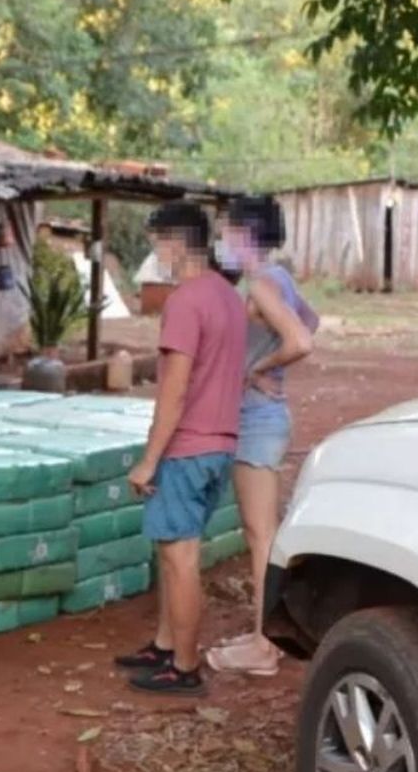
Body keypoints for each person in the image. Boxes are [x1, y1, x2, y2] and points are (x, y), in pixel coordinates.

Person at [116, 201, 247, 697]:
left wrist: (149, 459)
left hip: (187, 447)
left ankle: (185, 665)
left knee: (180, 558)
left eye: (155, 245)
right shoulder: (228, 297)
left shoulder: (186, 301)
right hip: (220, 445)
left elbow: (173, 391)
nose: (156, 256)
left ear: (174, 242)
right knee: (176, 549)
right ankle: (166, 644)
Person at [206, 196, 315, 676]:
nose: (220, 240)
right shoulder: (280, 278)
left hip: (258, 419)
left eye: (225, 230)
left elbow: (301, 340)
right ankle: (263, 634)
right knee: (262, 533)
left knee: (261, 536)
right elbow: (309, 320)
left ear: (245, 234)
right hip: (265, 417)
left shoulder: (261, 283)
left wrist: (258, 368)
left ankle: (264, 647)